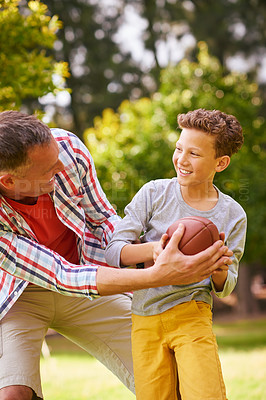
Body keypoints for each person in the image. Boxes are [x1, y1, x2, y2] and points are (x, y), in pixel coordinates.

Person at [0, 111, 232, 400]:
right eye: (48, 168)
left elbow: (102, 219)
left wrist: (150, 250)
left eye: (57, 155)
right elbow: (61, 275)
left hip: (88, 281)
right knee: (13, 394)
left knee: (173, 381)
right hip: (21, 295)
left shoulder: (67, 149)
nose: (61, 165)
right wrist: (154, 275)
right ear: (9, 182)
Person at [105, 108, 247, 400]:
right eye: (179, 148)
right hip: (145, 318)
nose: (181, 160)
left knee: (205, 394)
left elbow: (227, 284)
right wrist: (156, 250)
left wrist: (218, 268)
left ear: (220, 163)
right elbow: (114, 252)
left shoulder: (233, 215)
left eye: (194, 154)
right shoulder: (154, 194)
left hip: (192, 314)